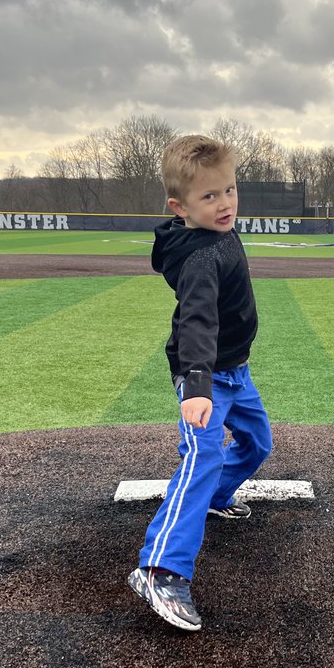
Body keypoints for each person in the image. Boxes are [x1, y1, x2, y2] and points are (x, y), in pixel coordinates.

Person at [128, 134, 273, 632]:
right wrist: (196, 386)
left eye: (229, 190)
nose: (225, 203)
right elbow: (195, 322)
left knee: (257, 443)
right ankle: (161, 568)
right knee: (203, 454)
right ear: (180, 205)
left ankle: (215, 498)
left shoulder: (214, 232)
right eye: (209, 197)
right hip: (206, 377)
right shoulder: (200, 259)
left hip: (237, 370)